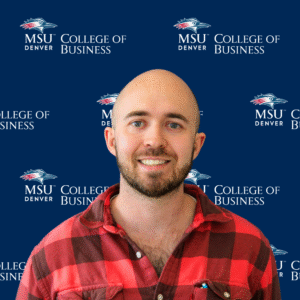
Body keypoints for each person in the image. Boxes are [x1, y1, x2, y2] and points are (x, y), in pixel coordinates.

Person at [16, 70, 281, 300]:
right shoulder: (52, 256)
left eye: (173, 125)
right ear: (112, 141)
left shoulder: (250, 247)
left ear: (197, 145)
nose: (154, 140)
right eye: (137, 123)